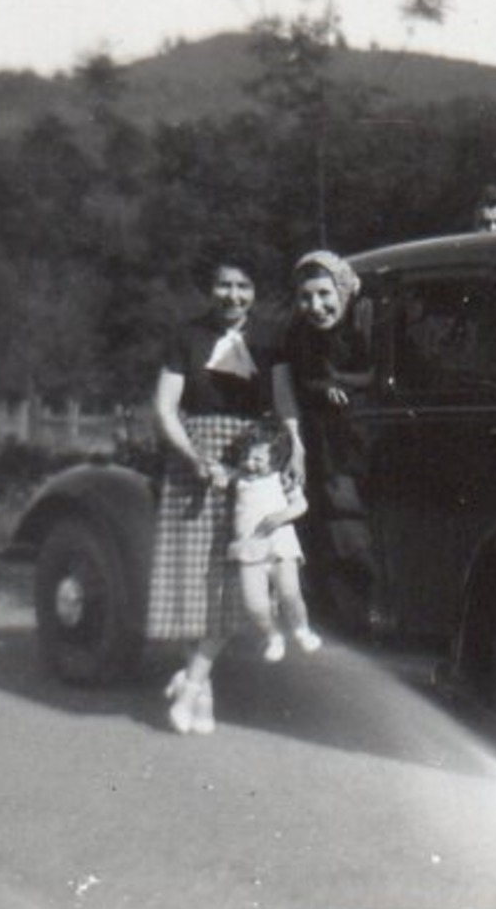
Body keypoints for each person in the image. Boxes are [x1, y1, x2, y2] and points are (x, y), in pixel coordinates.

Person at [150, 256, 303, 736]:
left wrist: (295, 446)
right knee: (195, 579)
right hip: (195, 464)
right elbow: (164, 407)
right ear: (209, 289)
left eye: (242, 286)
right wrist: (196, 460)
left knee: (238, 579)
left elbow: (282, 402)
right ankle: (202, 689)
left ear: (254, 292)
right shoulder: (186, 336)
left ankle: (192, 683)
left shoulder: (269, 337)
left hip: (253, 467)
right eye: (223, 285)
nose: (232, 296)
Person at [282, 250, 381, 632]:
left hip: (368, 439)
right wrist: (324, 387)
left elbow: (376, 371)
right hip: (329, 449)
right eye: (306, 297)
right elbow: (304, 379)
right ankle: (348, 624)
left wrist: (342, 384)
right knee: (339, 533)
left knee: (359, 535)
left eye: (325, 294)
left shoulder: (365, 321)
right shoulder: (301, 336)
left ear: (342, 290)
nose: (317, 306)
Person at [227, 418, 321, 667]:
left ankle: (302, 629)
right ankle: (273, 635)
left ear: (276, 459)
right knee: (254, 604)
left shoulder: (282, 479)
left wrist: (279, 517)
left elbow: (301, 505)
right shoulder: (239, 478)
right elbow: (220, 477)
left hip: (279, 544)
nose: (250, 463)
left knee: (290, 592)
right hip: (249, 547)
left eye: (258, 459)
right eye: (247, 457)